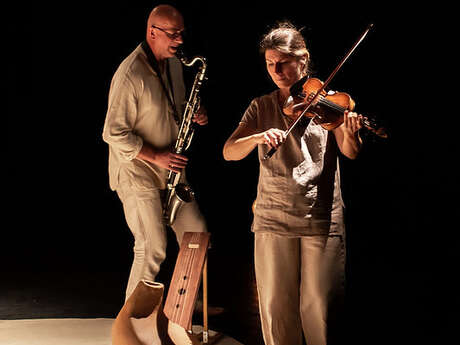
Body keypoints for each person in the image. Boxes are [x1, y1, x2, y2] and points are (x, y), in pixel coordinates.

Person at [223, 22, 363, 345]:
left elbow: (350, 152)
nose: (277, 70)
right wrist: (258, 136)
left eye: (283, 62)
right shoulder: (262, 106)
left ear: (304, 60)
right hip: (273, 217)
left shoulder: (330, 104)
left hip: (320, 218)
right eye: (270, 63)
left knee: (320, 311)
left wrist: (351, 131)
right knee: (276, 309)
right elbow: (229, 151)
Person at [102, 4, 208, 300]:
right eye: (173, 34)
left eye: (181, 33)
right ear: (152, 33)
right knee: (151, 247)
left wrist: (196, 112)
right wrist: (156, 156)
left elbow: (174, 106)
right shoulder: (130, 74)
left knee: (196, 235)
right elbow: (112, 133)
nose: (180, 40)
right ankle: (130, 328)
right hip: (138, 172)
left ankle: (180, 309)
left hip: (172, 171)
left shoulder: (173, 64)